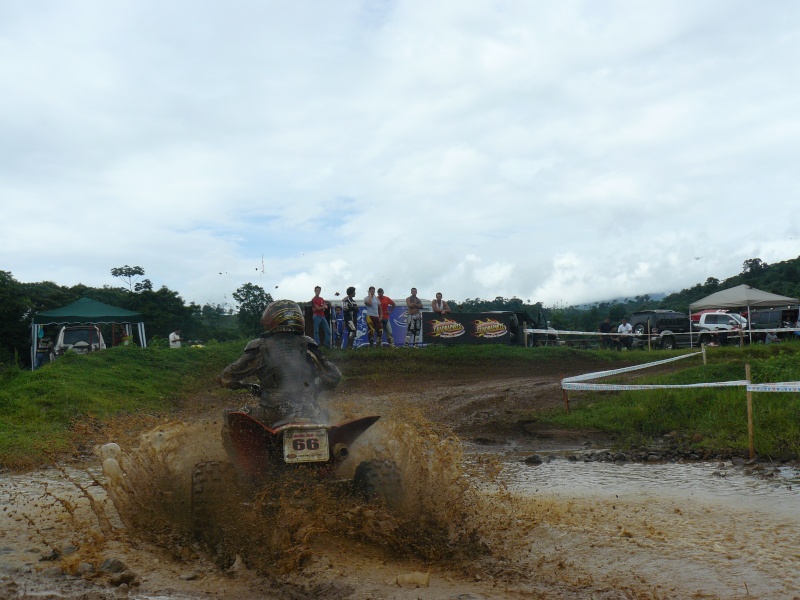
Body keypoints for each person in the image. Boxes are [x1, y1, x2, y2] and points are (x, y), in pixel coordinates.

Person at [217, 299, 342, 426]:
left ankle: (242, 446)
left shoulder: (260, 346)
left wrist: (245, 385)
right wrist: (315, 389)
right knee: (323, 416)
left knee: (231, 417)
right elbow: (334, 376)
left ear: (269, 319)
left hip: (272, 412)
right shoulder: (308, 344)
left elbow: (226, 377)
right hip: (309, 410)